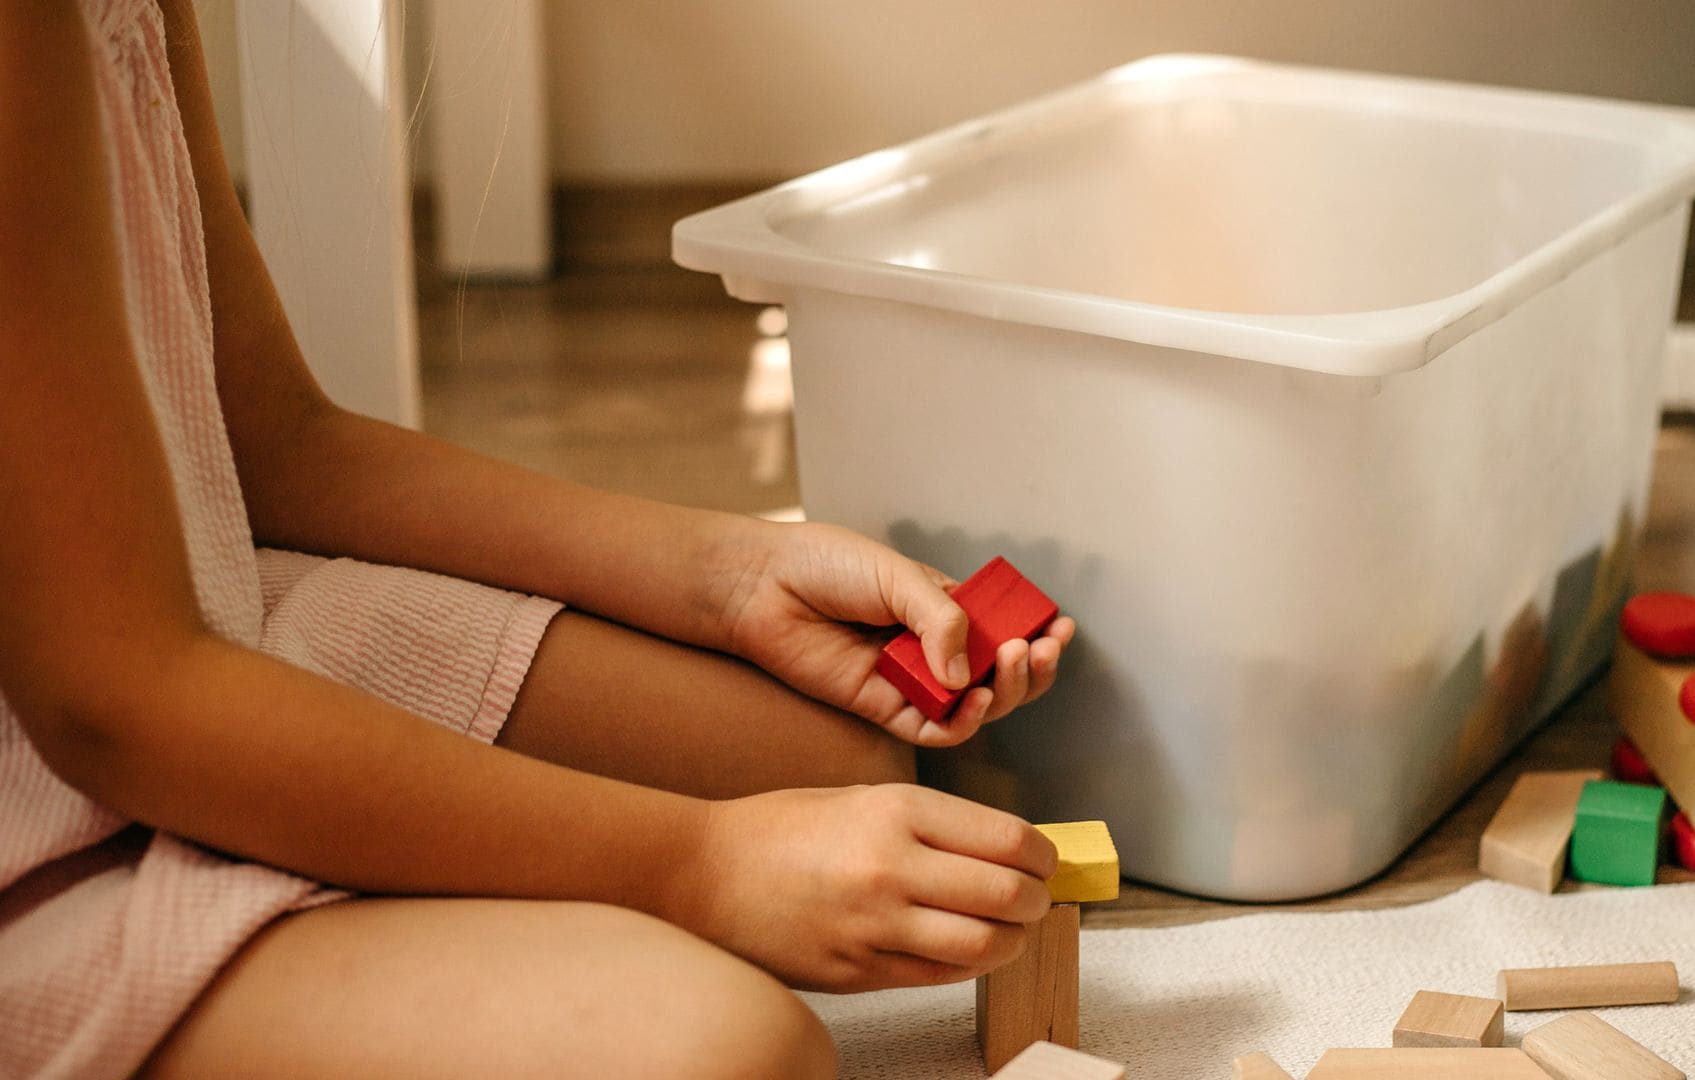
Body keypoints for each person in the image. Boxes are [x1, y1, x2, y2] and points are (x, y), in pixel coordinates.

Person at [0, 2, 1076, 1076]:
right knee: (728, 1053)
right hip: (63, 787)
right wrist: (702, 867)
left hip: (166, 623)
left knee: (837, 762)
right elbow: (117, 707)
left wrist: (733, 577)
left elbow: (271, 446)